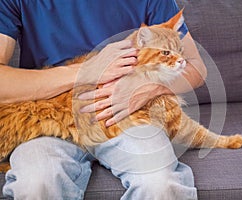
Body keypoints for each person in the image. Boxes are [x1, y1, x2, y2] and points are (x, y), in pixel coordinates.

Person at [0, 0, 207, 199]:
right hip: (48, 117)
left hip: (128, 116)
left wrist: (148, 88)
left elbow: (197, 66)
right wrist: (87, 71)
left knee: (161, 185)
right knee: (37, 185)